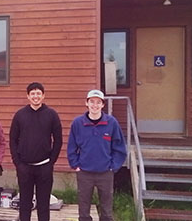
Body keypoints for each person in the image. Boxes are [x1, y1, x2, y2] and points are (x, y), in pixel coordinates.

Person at [67, 89, 127, 221]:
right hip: (84, 172)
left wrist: (113, 166)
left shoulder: (111, 123)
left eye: (98, 102)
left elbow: (120, 148)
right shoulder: (78, 123)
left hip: (105, 172)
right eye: (92, 102)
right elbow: (71, 147)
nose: (95, 105)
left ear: (103, 105)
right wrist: (75, 164)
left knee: (106, 209)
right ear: (86, 103)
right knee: (83, 209)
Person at [9, 82, 63, 221]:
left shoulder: (51, 115)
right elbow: (12, 140)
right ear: (28, 96)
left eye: (38, 93)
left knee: (44, 205)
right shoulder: (20, 115)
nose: (35, 96)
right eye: (32, 93)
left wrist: (51, 162)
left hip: (44, 167)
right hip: (24, 167)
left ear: (43, 95)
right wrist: (18, 163)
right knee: (25, 204)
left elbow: (58, 140)